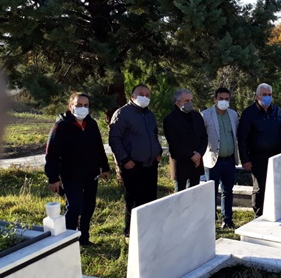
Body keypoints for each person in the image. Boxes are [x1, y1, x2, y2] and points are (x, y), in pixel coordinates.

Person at [45, 92, 110, 246]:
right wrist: (53, 178)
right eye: (79, 105)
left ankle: (84, 238)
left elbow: (99, 147)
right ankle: (69, 241)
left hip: (91, 174)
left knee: (89, 207)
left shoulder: (91, 124)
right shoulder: (60, 126)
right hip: (71, 175)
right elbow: (51, 153)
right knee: (74, 207)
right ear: (71, 106)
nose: (83, 108)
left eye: (86, 105)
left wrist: (105, 167)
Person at [109, 84, 163, 238]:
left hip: (151, 164)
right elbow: (114, 139)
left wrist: (158, 152)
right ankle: (131, 234)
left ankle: (148, 231)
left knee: (150, 199)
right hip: (132, 165)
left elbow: (154, 135)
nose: (144, 97)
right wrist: (124, 160)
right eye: (141, 94)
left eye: (147, 95)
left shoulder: (150, 115)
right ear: (132, 96)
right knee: (134, 201)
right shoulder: (122, 113)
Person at [237, 83, 281, 217]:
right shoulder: (249, 113)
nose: (267, 97)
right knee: (260, 187)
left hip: (275, 155)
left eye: (269, 95)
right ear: (257, 96)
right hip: (257, 157)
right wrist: (245, 159)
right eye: (264, 95)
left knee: (275, 186)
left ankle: (273, 212)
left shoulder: (277, 111)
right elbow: (242, 138)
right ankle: (259, 214)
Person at [202, 87, 239, 228]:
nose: (224, 101)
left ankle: (227, 220)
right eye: (221, 98)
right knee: (211, 192)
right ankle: (210, 222)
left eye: (227, 99)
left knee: (228, 191)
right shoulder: (206, 115)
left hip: (229, 159)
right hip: (213, 160)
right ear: (215, 99)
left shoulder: (233, 115)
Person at [163, 89, 208, 192]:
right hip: (180, 163)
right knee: (180, 195)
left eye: (191, 100)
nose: (190, 103)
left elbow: (204, 137)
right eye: (187, 101)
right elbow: (174, 142)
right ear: (177, 102)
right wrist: (192, 156)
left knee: (194, 194)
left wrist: (199, 154)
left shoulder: (197, 116)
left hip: (196, 163)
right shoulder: (169, 119)